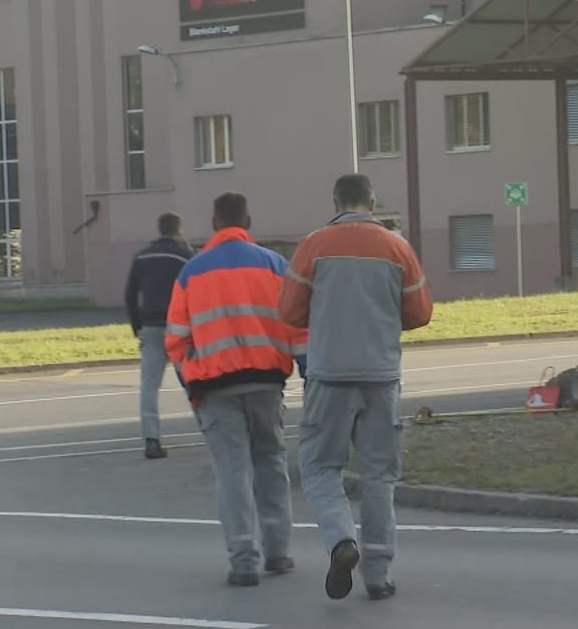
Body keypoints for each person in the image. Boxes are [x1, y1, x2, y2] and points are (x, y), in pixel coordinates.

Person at [278, 174, 433, 602]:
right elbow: (420, 313)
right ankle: (379, 575)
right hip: (381, 376)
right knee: (379, 475)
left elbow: (288, 311)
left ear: (335, 203)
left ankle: (341, 539)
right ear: (373, 201)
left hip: (329, 375)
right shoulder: (398, 248)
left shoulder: (314, 245)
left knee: (319, 466)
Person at [166, 193, 308, 587]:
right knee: (271, 465)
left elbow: (176, 340)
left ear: (214, 222)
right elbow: (298, 328)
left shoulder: (191, 273)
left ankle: (244, 560)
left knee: (232, 472)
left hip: (214, 387)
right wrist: (306, 372)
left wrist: (191, 385)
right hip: (266, 381)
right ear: (247, 220)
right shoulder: (275, 265)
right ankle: (278, 552)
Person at [125, 212, 195, 460]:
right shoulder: (185, 256)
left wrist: (138, 328)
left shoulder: (142, 257)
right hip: (180, 328)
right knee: (194, 381)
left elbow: (130, 295)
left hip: (151, 326)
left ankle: (151, 440)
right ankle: (211, 428)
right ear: (178, 229)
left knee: (149, 385)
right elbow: (195, 292)